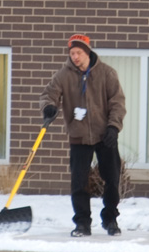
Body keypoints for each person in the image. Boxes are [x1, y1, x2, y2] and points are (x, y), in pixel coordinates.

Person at [39, 34, 127, 237]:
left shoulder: (106, 73)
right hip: (78, 135)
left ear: (87, 52)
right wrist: (49, 107)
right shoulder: (64, 75)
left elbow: (117, 103)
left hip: (106, 135)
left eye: (78, 53)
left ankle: (110, 219)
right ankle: (82, 223)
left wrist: (113, 127)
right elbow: (49, 94)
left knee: (112, 179)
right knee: (79, 181)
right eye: (72, 53)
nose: (75, 57)